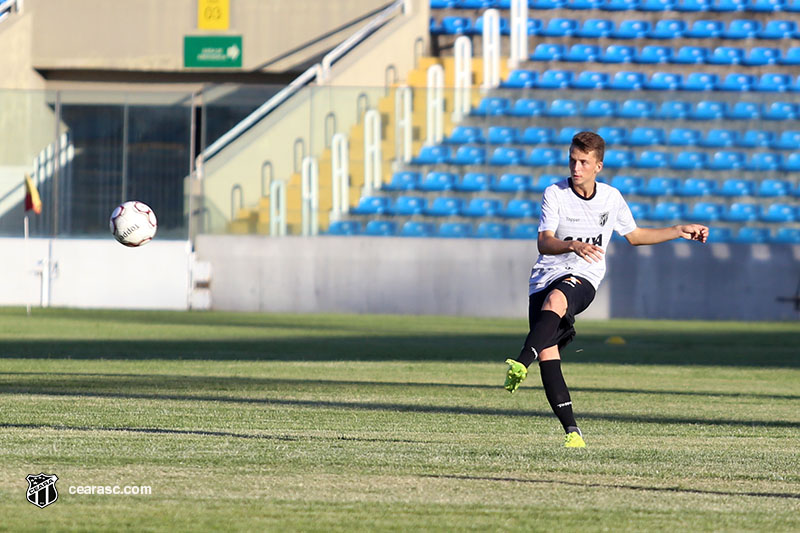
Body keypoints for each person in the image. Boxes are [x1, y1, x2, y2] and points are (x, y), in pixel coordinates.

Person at [503, 131, 708, 448]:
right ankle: (573, 433)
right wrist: (570, 244)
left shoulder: (611, 198)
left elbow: (635, 235)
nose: (576, 168)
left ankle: (519, 362)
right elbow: (543, 242)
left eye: (583, 162)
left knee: (559, 297)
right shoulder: (555, 193)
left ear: (598, 165)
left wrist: (678, 230)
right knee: (548, 353)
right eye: (572, 160)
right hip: (543, 278)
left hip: (583, 278)